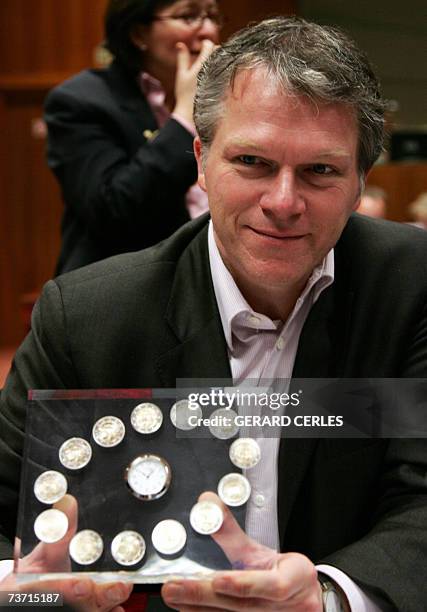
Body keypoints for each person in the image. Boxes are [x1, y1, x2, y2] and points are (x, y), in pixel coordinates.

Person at [1, 15, 427, 612]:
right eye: (251, 161)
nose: (282, 202)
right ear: (200, 160)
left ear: (361, 183)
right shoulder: (86, 316)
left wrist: (329, 598)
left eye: (320, 171)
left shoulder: (414, 288)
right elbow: (4, 520)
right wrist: (34, 601)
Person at [45, 0, 220, 273]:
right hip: (122, 285)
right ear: (139, 33)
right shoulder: (80, 101)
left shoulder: (226, 96)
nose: (208, 30)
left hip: (212, 279)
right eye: (189, 17)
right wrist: (185, 114)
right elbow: (113, 209)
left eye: (212, 15)